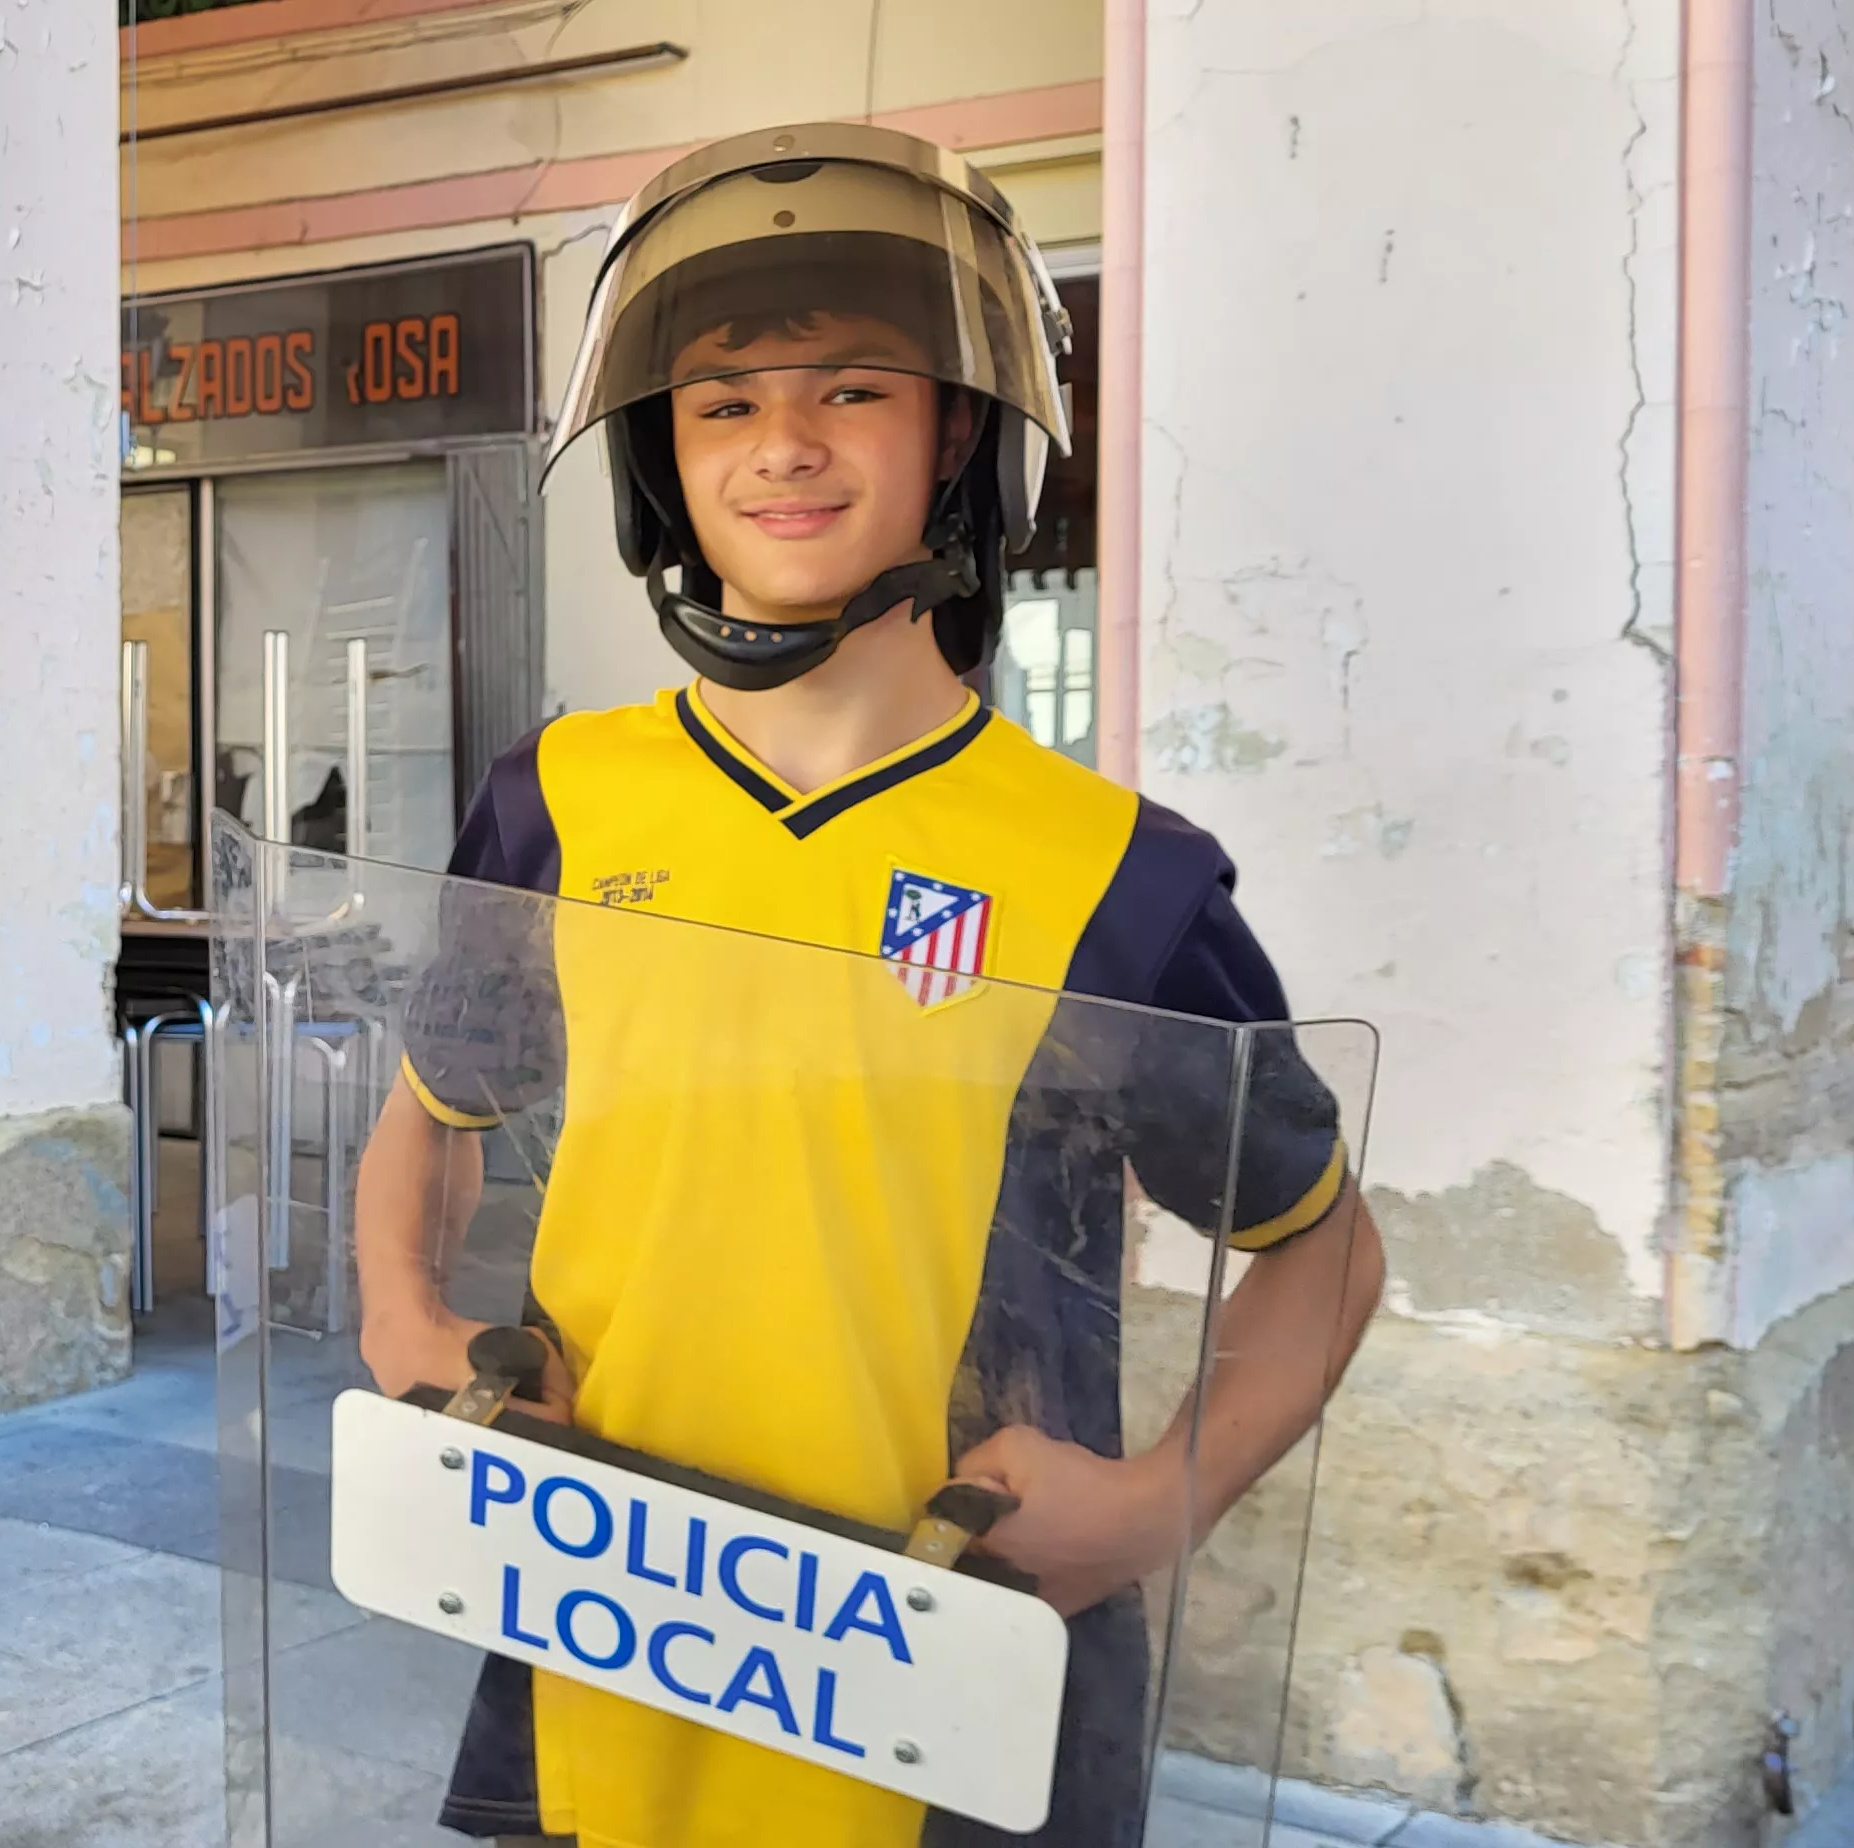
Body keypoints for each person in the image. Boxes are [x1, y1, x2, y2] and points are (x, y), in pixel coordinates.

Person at [346, 125, 1388, 1848]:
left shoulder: (1112, 873)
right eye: (724, 403)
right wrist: (401, 1314)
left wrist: (1149, 1511)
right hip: (609, 1594)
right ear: (661, 462)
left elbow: (1322, 1248)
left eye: (851, 390)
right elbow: (432, 1117)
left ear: (958, 435)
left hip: (942, 1647)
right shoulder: (559, 796)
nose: (784, 450)